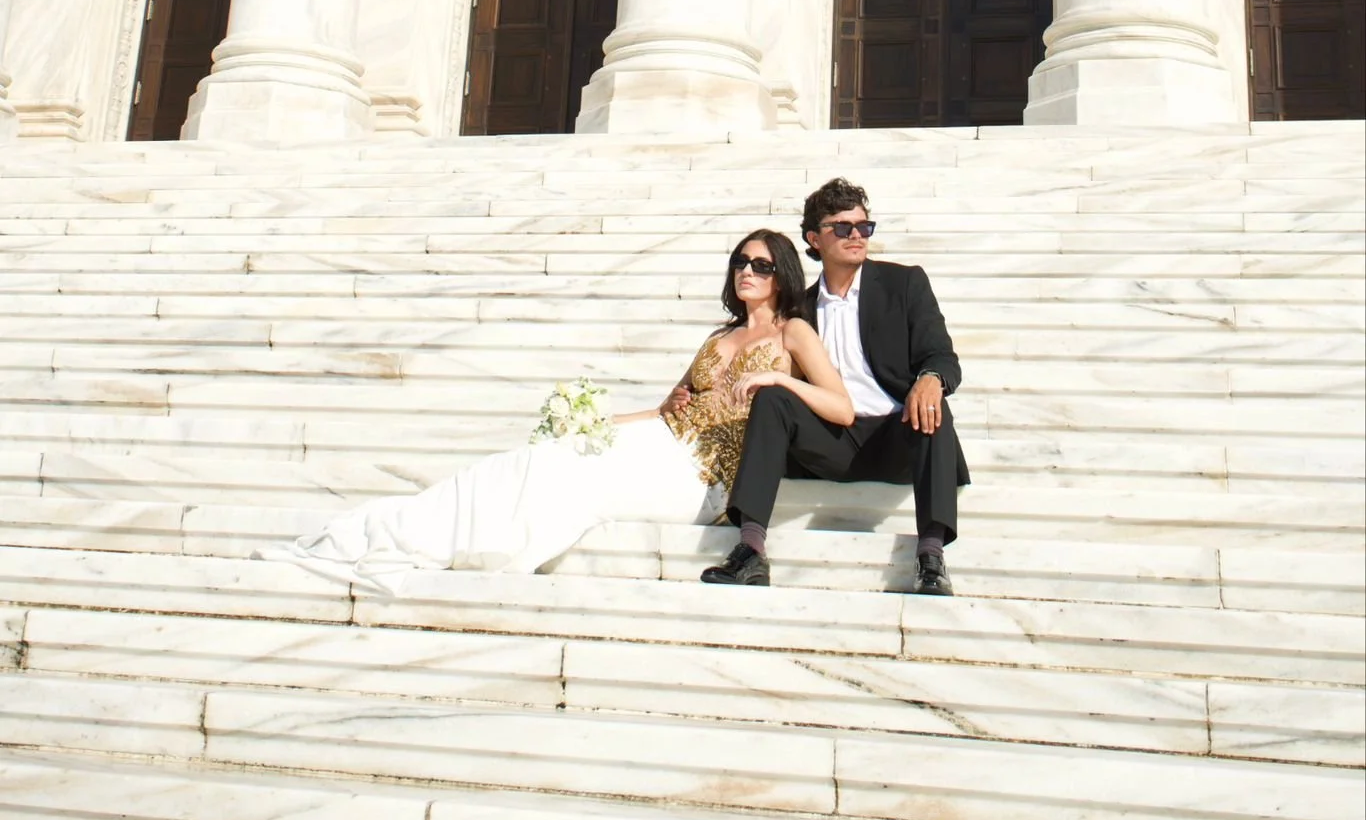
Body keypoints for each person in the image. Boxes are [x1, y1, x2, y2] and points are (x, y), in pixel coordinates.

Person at [276, 229, 851, 590]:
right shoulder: (718, 337)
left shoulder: (794, 333)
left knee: (575, 481)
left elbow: (841, 409)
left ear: (782, 275)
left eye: (762, 265)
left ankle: (479, 542)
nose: (747, 272)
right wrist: (596, 424)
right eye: (741, 263)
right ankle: (405, 527)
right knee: (546, 456)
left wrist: (781, 378)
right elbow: (666, 409)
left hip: (707, 475)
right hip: (663, 443)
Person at [700, 177, 968, 594]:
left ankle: (931, 556)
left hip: (899, 435)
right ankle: (750, 549)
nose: (857, 235)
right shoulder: (799, 309)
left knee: (933, 406)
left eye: (864, 226)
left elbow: (942, 356)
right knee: (774, 397)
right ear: (814, 238)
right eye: (843, 228)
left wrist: (931, 381)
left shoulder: (905, 284)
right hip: (832, 441)